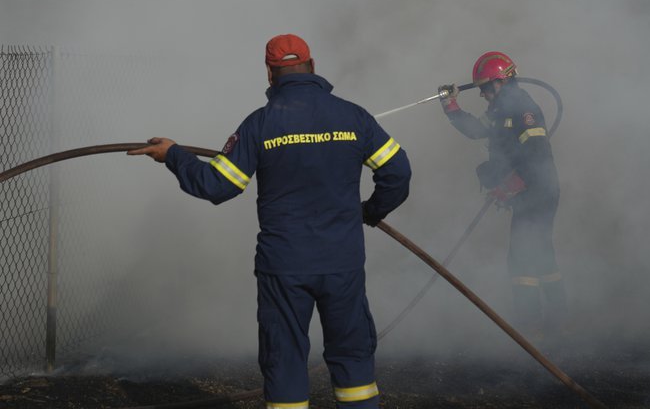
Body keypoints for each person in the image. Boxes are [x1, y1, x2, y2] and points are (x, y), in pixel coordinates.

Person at [129, 33, 411, 409]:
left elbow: (216, 185)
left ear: (269, 73)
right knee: (353, 357)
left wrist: (174, 156)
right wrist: (370, 212)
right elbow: (398, 174)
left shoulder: (259, 124)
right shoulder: (353, 117)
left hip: (284, 267)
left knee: (285, 360)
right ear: (313, 66)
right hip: (342, 263)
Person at [438, 51, 566, 341]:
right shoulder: (499, 110)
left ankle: (529, 327)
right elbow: (476, 130)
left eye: (485, 87)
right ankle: (559, 320)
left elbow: (537, 154)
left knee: (521, 258)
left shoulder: (523, 108)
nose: (482, 94)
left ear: (500, 81)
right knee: (542, 253)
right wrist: (451, 106)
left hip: (539, 192)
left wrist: (514, 183)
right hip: (532, 192)